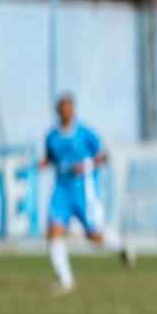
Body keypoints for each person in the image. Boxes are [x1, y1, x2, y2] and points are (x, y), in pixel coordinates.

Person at [38, 92, 135, 293]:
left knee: (94, 236)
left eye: (70, 107)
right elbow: (50, 158)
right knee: (54, 231)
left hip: (83, 190)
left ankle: (122, 245)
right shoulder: (51, 137)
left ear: (73, 110)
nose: (67, 111)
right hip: (61, 190)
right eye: (63, 108)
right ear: (58, 111)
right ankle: (65, 280)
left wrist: (86, 165)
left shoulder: (85, 133)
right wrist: (42, 164)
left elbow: (104, 157)